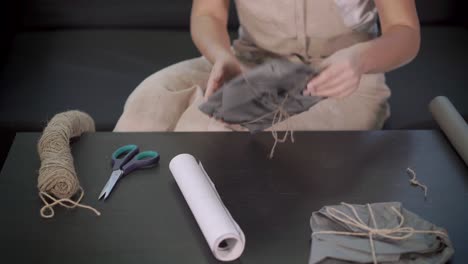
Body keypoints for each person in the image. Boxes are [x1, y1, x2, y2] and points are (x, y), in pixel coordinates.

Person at [114, 0, 420, 132]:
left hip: (343, 77)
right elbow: (208, 14)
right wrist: (222, 56)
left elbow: (405, 31)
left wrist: (360, 58)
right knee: (151, 99)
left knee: (208, 127)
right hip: (250, 60)